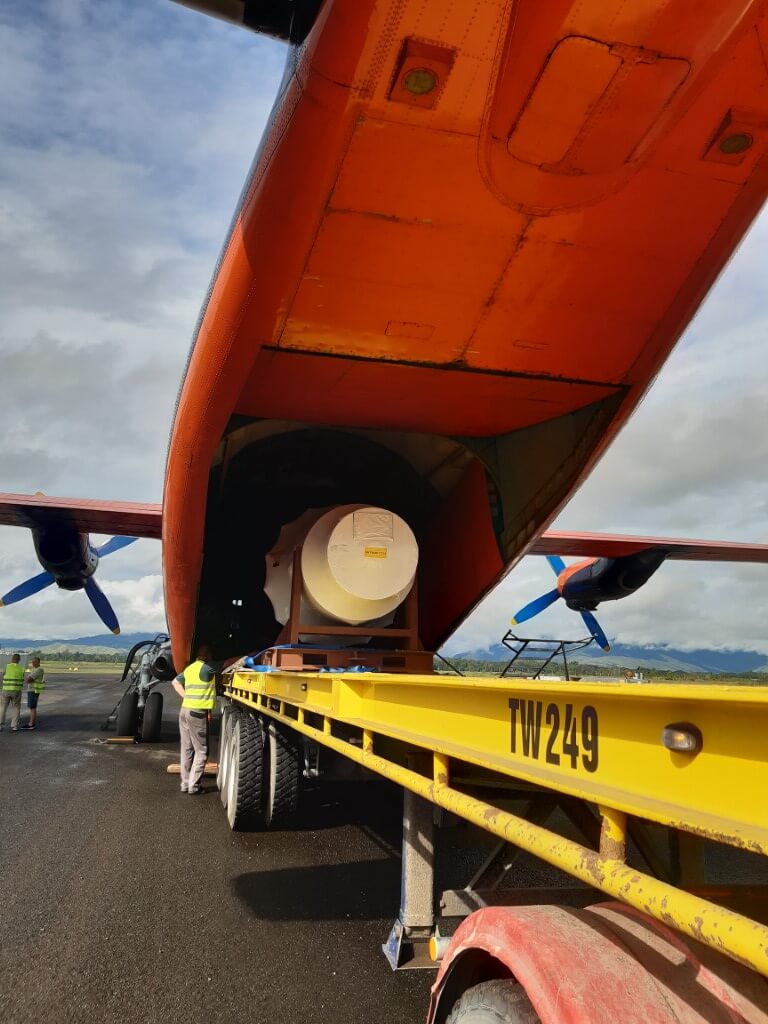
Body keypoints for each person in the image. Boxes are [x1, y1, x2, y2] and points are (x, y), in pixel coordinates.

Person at [172, 645, 217, 795]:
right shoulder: (207, 668)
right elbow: (228, 663)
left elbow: (175, 682)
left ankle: (185, 784)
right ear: (207, 655)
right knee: (202, 751)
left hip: (184, 710)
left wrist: (186, 696)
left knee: (186, 748)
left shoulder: (190, 668)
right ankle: (194, 786)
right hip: (197, 713)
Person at [0, 654, 25, 732]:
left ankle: (0, 725)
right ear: (19, 660)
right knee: (16, 708)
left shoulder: (6, 666)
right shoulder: (22, 668)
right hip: (16, 691)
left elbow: (3, 674)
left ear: (12, 659)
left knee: (3, 707)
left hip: (6, 690)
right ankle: (14, 726)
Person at [23, 657, 45, 730]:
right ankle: (32, 723)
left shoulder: (38, 670)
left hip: (33, 690)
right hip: (33, 690)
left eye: (34, 662)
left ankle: (31, 724)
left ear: (38, 662)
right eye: (32, 662)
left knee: (32, 707)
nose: (33, 663)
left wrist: (28, 678)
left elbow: (28, 680)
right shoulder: (35, 669)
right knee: (33, 707)